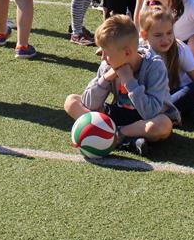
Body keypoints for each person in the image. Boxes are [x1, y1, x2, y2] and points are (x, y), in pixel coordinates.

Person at [63, 14, 177, 156]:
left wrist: (129, 81)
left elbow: (151, 112)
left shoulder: (154, 66)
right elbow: (89, 103)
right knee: (71, 101)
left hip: (143, 120)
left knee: (163, 125)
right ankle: (125, 140)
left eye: (106, 53)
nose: (102, 57)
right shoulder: (108, 65)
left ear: (127, 52)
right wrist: (106, 78)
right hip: (115, 115)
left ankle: (117, 135)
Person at [137, 4, 194, 127]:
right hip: (150, 99)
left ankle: (158, 115)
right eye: (158, 35)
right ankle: (163, 116)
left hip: (172, 97)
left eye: (169, 33)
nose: (165, 39)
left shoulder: (180, 49)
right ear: (144, 35)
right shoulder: (139, 50)